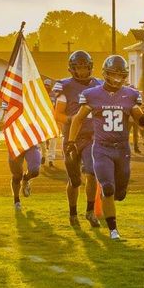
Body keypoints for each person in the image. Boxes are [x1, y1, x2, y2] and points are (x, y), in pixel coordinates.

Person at [68, 55, 143, 241]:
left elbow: (140, 121)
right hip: (101, 148)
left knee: (120, 193)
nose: (117, 79)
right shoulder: (92, 94)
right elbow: (78, 118)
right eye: (113, 75)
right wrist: (71, 141)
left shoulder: (131, 94)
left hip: (122, 149)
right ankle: (113, 230)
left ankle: (115, 198)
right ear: (105, 74)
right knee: (108, 188)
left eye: (121, 75)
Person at [52, 51, 102, 227]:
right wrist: (72, 121)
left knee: (91, 173)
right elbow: (57, 114)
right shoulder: (65, 86)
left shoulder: (99, 85)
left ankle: (89, 211)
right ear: (72, 69)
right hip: (72, 138)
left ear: (90, 67)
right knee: (74, 181)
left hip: (91, 137)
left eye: (84, 67)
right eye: (78, 68)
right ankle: (73, 212)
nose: (81, 71)